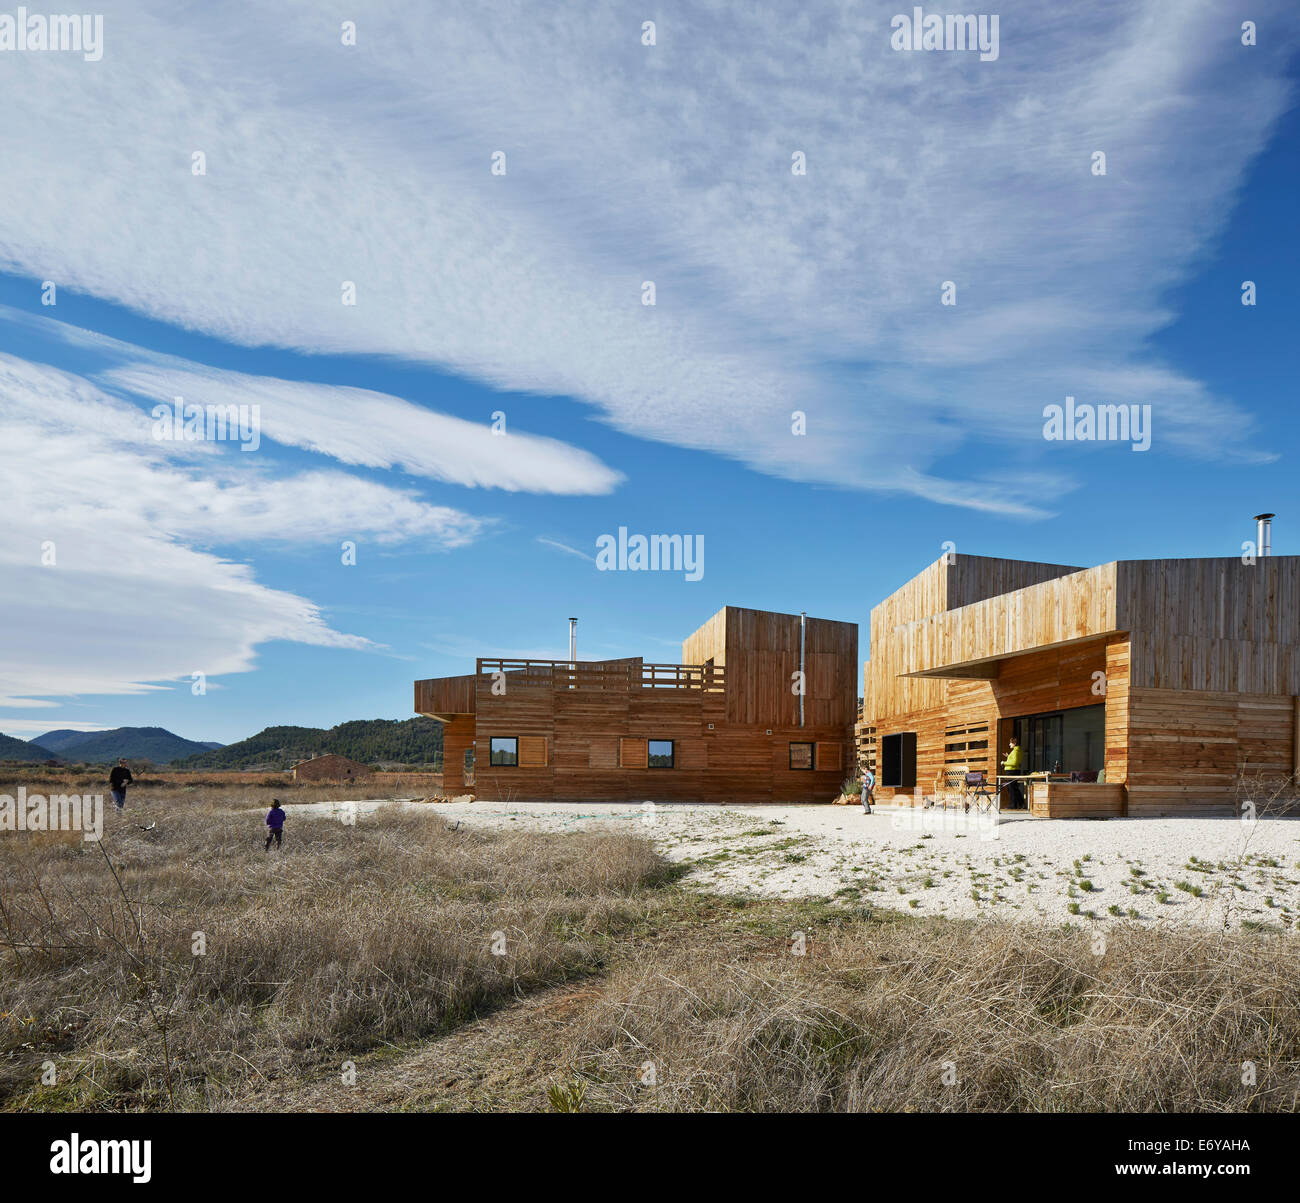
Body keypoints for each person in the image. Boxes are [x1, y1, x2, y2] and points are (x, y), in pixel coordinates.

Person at [1001, 737, 1026, 809]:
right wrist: (1008, 756)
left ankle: (1013, 805)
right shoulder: (1017, 751)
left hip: (1011, 771)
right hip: (1014, 771)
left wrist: (1004, 763)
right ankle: (1020, 804)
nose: (1009, 744)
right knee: (1014, 788)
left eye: (1010, 743)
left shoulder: (1015, 751)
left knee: (1011, 788)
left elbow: (1014, 762)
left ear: (1014, 743)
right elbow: (1015, 760)